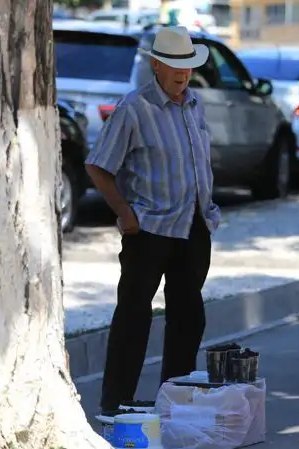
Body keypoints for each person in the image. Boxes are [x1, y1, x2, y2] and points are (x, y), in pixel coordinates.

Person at [85, 26, 221, 413]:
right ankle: (115, 405)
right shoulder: (134, 107)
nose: (183, 74)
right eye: (175, 66)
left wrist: (208, 211)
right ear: (156, 64)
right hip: (149, 229)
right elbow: (98, 166)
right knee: (133, 316)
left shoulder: (195, 105)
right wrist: (124, 213)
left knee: (188, 317)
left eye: (188, 67)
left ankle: (174, 401)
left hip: (193, 226)